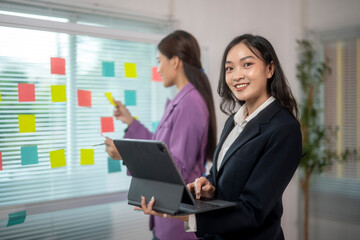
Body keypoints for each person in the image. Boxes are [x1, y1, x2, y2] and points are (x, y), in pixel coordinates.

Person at [135, 34, 302, 240]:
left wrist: (186, 215)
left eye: (247, 64)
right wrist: (208, 186)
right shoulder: (234, 121)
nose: (237, 75)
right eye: (229, 68)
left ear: (269, 68)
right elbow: (219, 175)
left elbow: (253, 211)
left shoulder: (283, 128)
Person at [105, 30, 217, 240]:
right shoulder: (180, 101)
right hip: (167, 218)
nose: (158, 69)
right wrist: (129, 121)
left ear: (175, 61)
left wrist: (125, 154)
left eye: (160, 61)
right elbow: (160, 148)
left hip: (178, 223)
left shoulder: (190, 104)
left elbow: (176, 168)